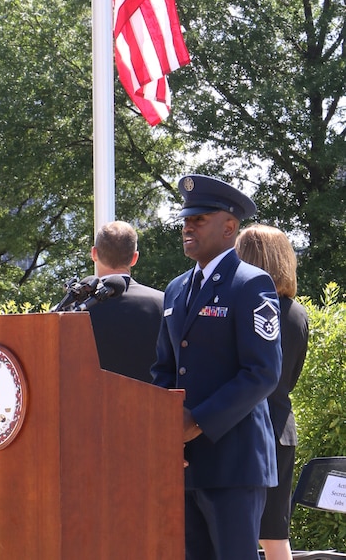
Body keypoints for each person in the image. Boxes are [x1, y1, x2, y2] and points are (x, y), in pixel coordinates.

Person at [151, 174, 282, 560]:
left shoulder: (251, 284)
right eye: (186, 219)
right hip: (186, 466)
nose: (187, 226)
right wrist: (164, 431)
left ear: (229, 227)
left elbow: (263, 372)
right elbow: (164, 369)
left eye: (200, 219)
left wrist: (198, 421)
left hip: (234, 464)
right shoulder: (175, 289)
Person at [236, 224, 309, 560]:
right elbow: (290, 376)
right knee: (276, 537)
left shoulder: (239, 307)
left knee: (232, 534)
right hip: (280, 429)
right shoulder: (296, 314)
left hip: (239, 428)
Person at [87, 220, 164, 383]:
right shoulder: (163, 303)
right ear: (134, 258)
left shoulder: (76, 308)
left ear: (94, 253)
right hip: (152, 405)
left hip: (90, 405)